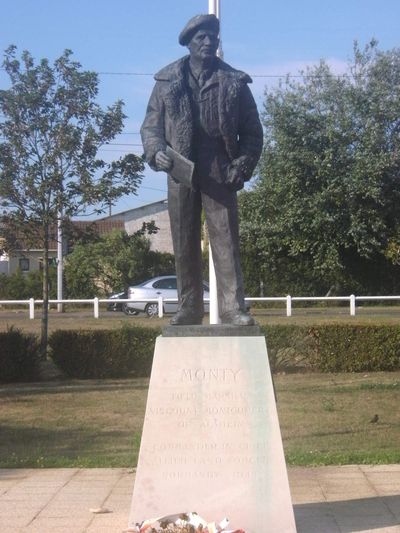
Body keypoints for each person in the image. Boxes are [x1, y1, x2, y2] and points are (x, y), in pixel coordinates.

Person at [141, 14, 263, 326]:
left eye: (213, 37)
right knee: (183, 241)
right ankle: (189, 307)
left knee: (225, 240)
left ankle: (233, 308)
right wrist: (156, 152)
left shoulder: (234, 81)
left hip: (219, 166)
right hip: (180, 167)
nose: (208, 42)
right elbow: (151, 127)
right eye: (201, 38)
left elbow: (253, 132)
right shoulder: (167, 81)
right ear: (189, 43)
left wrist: (243, 165)